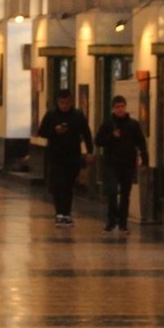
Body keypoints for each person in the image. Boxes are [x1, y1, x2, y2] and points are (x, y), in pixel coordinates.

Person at [34, 91, 94, 227]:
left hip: (72, 156)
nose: (65, 106)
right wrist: (54, 131)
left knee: (68, 185)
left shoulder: (78, 116)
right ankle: (59, 213)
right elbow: (42, 132)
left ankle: (66, 214)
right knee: (58, 185)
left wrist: (90, 151)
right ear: (58, 102)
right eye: (62, 103)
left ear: (71, 102)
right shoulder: (51, 115)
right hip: (55, 155)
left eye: (67, 103)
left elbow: (86, 133)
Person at [94, 95, 150, 233]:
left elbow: (141, 143)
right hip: (111, 164)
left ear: (125, 107)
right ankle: (111, 221)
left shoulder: (133, 125)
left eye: (122, 106)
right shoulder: (108, 124)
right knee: (112, 191)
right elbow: (98, 141)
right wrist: (111, 137)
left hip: (128, 164)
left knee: (125, 194)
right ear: (113, 109)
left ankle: (123, 223)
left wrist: (144, 160)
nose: (120, 109)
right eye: (117, 107)